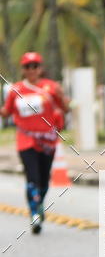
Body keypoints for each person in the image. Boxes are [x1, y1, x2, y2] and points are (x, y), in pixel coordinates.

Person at [0, 52, 70, 233]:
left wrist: (63, 99)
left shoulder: (51, 87)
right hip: (26, 140)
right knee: (32, 178)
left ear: (40, 68)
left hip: (47, 141)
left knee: (44, 180)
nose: (31, 70)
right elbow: (6, 113)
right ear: (23, 70)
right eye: (27, 67)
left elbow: (64, 109)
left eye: (35, 66)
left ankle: (39, 204)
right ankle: (34, 215)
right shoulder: (16, 90)